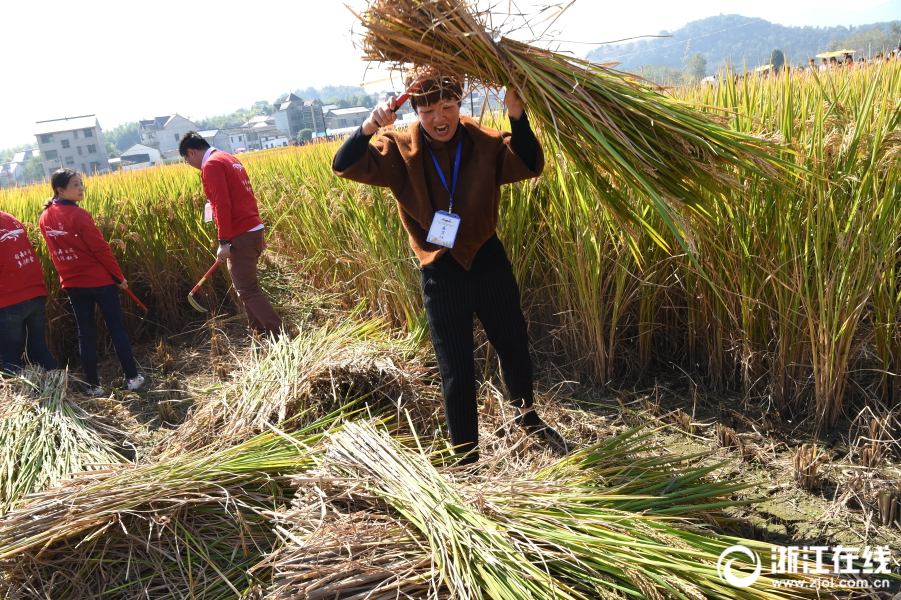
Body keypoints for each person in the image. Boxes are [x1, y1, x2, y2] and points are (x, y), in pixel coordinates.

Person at [332, 75, 567, 465]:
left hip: (487, 259)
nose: (440, 118)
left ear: (460, 103)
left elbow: (528, 161)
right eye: (428, 111)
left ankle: (527, 416)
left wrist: (517, 117)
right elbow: (343, 164)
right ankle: (466, 455)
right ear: (414, 112)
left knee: (513, 342)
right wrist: (369, 126)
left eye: (448, 107)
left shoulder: (481, 139)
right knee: (455, 366)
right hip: (440, 271)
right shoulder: (398, 148)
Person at [39, 169, 144, 393]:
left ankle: (92, 385)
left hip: (73, 283)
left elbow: (53, 252)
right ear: (60, 189)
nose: (81, 188)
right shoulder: (78, 215)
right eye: (75, 184)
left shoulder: (45, 217)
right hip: (99, 281)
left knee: (85, 333)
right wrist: (119, 277)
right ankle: (132, 378)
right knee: (116, 329)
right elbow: (101, 249)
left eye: (81, 183)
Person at [179, 132, 283, 338]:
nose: (189, 164)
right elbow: (246, 196)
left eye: (186, 160)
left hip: (240, 234)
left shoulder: (211, 165)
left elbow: (222, 205)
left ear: (191, 152)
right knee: (246, 288)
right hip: (252, 229)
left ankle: (279, 335)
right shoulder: (229, 158)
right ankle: (258, 333)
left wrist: (224, 241)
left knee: (247, 289)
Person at [0, 211, 58, 375]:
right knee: (39, 350)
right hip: (35, 293)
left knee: (10, 357)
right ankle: (58, 390)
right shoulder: (9, 218)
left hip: (8, 300)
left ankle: (19, 398)